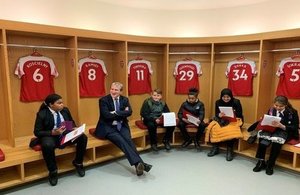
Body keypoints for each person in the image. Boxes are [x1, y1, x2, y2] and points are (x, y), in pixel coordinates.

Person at [94, 82, 152, 176]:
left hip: (122, 125)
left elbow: (129, 112)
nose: (113, 91)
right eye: (112, 89)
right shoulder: (103, 100)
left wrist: (115, 112)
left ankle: (138, 165)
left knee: (129, 141)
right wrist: (121, 112)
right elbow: (106, 115)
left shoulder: (125, 99)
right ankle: (140, 164)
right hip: (108, 127)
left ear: (121, 91)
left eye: (116, 90)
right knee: (121, 141)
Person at [34, 94, 87, 186]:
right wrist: (52, 132)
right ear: (51, 105)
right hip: (51, 136)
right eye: (59, 103)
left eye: (62, 102)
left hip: (65, 134)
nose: (62, 104)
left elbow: (71, 122)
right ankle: (53, 171)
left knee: (83, 137)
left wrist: (73, 128)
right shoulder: (42, 114)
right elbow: (37, 132)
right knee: (47, 145)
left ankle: (78, 162)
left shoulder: (65, 110)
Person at [253, 95, 299, 175]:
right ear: (274, 104)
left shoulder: (293, 112)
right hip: (271, 129)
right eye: (276, 105)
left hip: (284, 131)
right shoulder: (271, 110)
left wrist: (282, 126)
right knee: (262, 138)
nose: (277, 108)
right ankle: (261, 161)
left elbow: (295, 127)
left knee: (276, 142)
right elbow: (268, 120)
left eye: (281, 106)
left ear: (286, 105)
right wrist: (263, 120)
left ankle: (270, 164)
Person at [207, 88, 244, 161]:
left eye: (228, 97)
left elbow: (240, 114)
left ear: (231, 96)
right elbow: (216, 113)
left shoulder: (236, 102)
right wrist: (219, 115)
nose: (226, 99)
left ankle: (230, 150)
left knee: (230, 130)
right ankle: (215, 147)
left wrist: (233, 113)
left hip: (235, 120)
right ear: (221, 97)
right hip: (223, 120)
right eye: (224, 97)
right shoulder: (218, 102)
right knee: (214, 127)